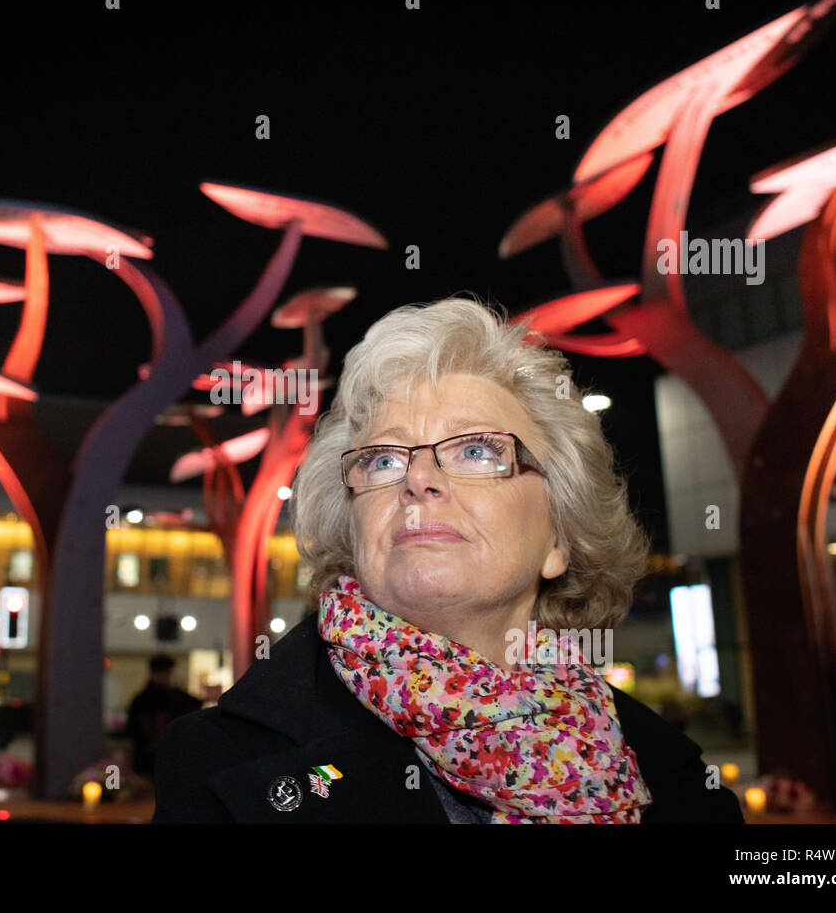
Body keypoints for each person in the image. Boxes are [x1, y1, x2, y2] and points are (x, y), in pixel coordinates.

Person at [154, 294, 745, 823]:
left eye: (478, 450)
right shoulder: (219, 765)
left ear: (559, 540)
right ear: (354, 533)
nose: (418, 478)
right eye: (383, 460)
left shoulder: (675, 779)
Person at [126, 654, 203, 777]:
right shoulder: (147, 700)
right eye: (165, 673)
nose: (167, 677)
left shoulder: (143, 699)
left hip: (161, 757)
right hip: (157, 758)